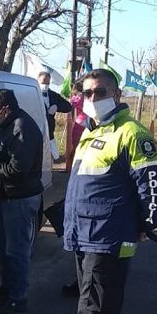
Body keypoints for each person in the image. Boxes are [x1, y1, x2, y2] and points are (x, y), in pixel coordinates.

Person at [40, 68, 157, 314]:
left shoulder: (131, 133)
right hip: (87, 236)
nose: (91, 99)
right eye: (86, 93)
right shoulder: (92, 132)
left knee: (93, 313)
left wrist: (145, 223)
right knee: (102, 309)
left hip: (109, 239)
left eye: (99, 92)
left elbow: (154, 186)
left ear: (116, 92)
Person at [0, 88, 44, 314]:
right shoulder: (8, 127)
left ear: (5, 109)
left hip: (20, 197)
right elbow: (5, 154)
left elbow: (17, 170)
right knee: (4, 247)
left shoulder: (21, 127)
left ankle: (17, 298)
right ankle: (8, 288)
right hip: (7, 196)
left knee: (17, 249)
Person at [61, 80, 88, 298]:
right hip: (77, 176)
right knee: (78, 241)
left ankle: (86, 285)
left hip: (91, 187)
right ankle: (80, 281)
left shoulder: (88, 118)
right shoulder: (80, 117)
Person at [37, 71, 72, 160]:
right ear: (38, 81)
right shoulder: (32, 93)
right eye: (43, 83)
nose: (45, 85)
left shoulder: (53, 95)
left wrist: (57, 107)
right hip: (36, 130)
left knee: (50, 157)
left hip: (49, 131)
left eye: (47, 83)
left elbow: (68, 107)